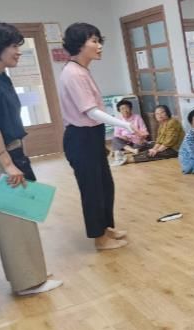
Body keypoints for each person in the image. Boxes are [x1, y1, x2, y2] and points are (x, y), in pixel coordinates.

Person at [0, 21, 62, 295]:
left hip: (10, 155)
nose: (18, 51)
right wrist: (7, 163)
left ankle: (31, 273)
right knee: (11, 222)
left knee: (22, 217)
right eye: (12, 46)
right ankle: (27, 282)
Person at [59, 22, 142, 250]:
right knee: (93, 189)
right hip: (81, 138)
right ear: (79, 45)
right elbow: (91, 111)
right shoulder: (74, 73)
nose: (99, 46)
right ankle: (99, 238)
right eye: (94, 41)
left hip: (91, 136)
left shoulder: (82, 70)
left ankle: (106, 228)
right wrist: (125, 124)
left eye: (99, 40)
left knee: (105, 185)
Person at [110, 99, 148, 166]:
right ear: (119, 111)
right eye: (122, 109)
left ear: (130, 108)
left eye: (126, 108)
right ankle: (133, 151)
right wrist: (123, 137)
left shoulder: (137, 117)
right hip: (125, 141)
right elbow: (116, 134)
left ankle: (121, 151)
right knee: (115, 139)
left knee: (141, 145)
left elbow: (144, 131)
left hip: (136, 140)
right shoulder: (118, 120)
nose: (125, 110)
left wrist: (140, 137)